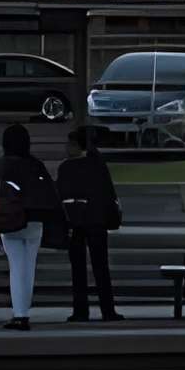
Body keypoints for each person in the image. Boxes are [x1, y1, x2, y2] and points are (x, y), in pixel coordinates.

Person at [0, 123, 58, 331]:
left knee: (16, 266)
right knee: (28, 267)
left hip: (10, 219)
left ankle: (20, 314)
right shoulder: (35, 164)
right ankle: (23, 311)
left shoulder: (2, 164)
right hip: (35, 219)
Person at [56, 125, 124, 321]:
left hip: (76, 222)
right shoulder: (97, 165)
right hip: (97, 221)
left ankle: (80, 310)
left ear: (77, 146)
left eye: (70, 144)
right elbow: (108, 192)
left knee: (78, 268)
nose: (66, 147)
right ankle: (108, 310)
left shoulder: (67, 167)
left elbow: (61, 193)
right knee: (101, 267)